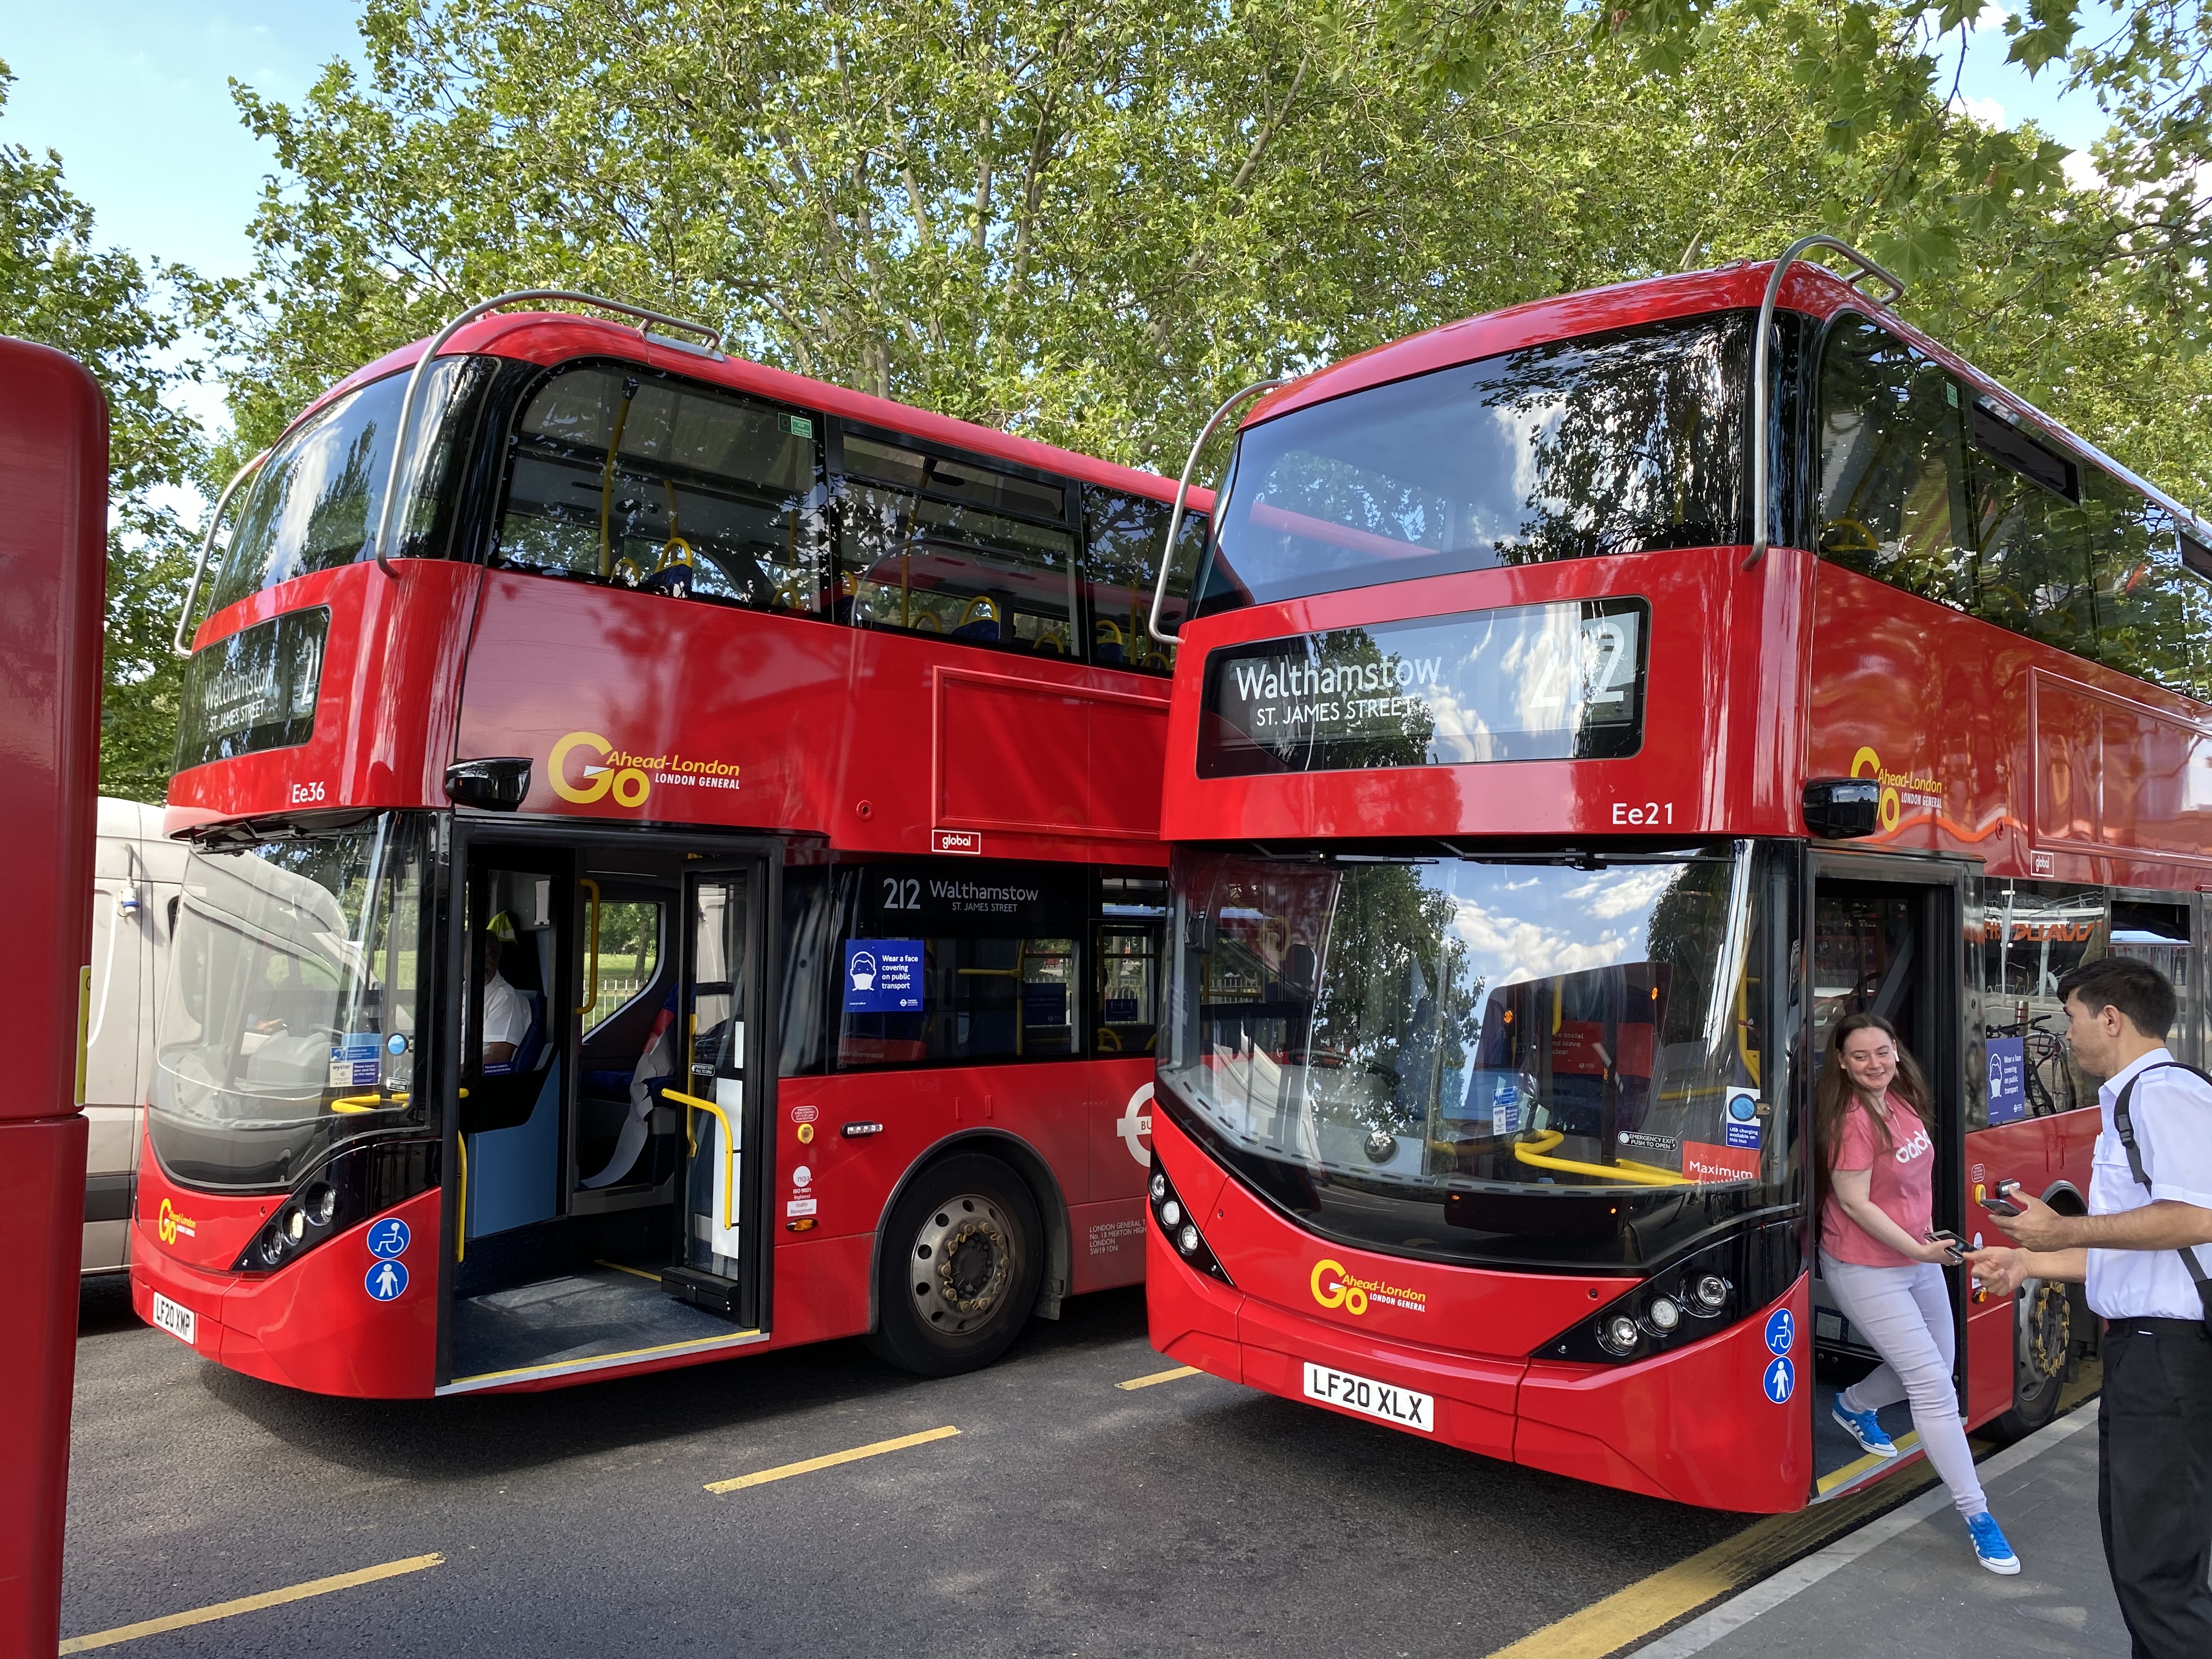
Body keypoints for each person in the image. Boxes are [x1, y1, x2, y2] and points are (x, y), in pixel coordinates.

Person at [1969, 957, 2212, 1659]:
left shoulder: (2161, 1096)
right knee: (2148, 1562)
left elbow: (2197, 1217)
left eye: (2071, 1016)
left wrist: (2064, 1229)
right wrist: (2030, 1262)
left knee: (2158, 1574)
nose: (2064, 1033)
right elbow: (2143, 1249)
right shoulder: (2139, 1100)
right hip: (2150, 1352)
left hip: (2167, 1357)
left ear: (2111, 1019)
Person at [1816, 1012, 2022, 1574]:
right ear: (1842, 1062)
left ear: (1896, 1050)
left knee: (1938, 1366)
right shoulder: (1851, 1119)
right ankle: (1978, 1515)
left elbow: (1913, 1183)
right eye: (1860, 1056)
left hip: (1918, 1254)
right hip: (1866, 1266)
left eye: (1882, 1051)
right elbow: (1856, 1203)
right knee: (1933, 1388)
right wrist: (1915, 1248)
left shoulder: (1902, 1101)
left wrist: (1926, 1236)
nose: (1874, 1064)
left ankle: (1853, 1405)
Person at [478, 932, 531, 1065]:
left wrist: (449, 1076)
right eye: (479, 955)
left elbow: (498, 1059)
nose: (487, 963)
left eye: (492, 956)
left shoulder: (505, 997)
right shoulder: (455, 993)